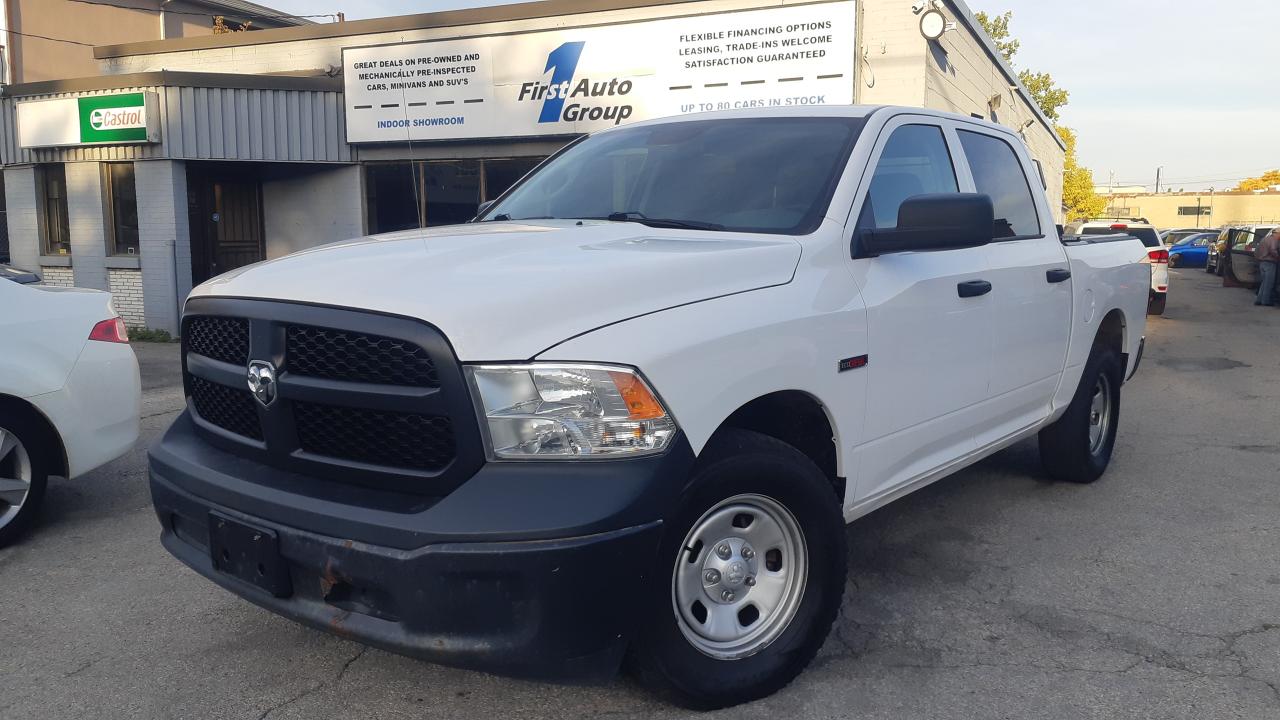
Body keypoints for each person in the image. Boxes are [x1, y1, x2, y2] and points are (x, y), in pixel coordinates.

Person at [1255, 228, 1280, 307]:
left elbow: (1257, 250)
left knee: (1264, 282)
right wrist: (1278, 257)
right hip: (1270, 263)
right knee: (1269, 283)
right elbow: (1273, 250)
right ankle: (1265, 301)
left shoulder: (1264, 239)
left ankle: (1259, 300)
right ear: (1277, 233)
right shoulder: (1274, 240)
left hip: (1262, 263)